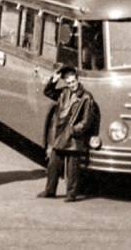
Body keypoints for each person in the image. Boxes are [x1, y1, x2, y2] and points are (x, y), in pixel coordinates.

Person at [39, 65, 99, 202]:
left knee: (73, 170)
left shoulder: (86, 97)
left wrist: (73, 130)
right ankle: (50, 191)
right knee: (53, 165)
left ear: (78, 80)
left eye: (73, 82)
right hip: (61, 134)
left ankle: (71, 195)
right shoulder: (63, 93)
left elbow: (87, 120)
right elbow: (48, 92)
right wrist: (54, 79)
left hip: (73, 137)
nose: (72, 85)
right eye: (68, 83)